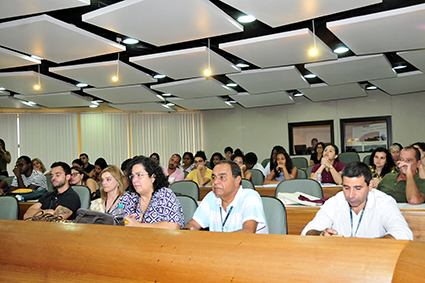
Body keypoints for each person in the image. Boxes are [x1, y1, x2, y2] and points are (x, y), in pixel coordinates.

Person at [301, 161, 412, 240]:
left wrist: (368, 245)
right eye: (346, 188)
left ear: (370, 186)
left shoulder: (384, 202)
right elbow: (307, 232)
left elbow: (403, 234)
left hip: (374, 261)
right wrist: (320, 234)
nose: (351, 195)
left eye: (358, 188)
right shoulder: (335, 202)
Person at [184, 160, 268, 233]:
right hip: (218, 249)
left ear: (237, 181)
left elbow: (248, 231)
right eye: (214, 177)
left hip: (248, 249)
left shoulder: (250, 197)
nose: (215, 182)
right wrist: (188, 230)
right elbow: (193, 224)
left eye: (222, 177)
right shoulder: (211, 197)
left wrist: (215, 241)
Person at [121, 156, 184, 229]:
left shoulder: (164, 194)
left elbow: (174, 226)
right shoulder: (129, 196)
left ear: (153, 177)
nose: (134, 180)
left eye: (139, 175)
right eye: (132, 176)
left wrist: (138, 225)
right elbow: (113, 220)